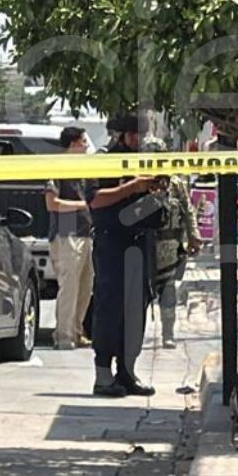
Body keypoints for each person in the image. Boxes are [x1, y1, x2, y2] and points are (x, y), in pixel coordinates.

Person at [87, 114, 165, 397]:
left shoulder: (140, 160)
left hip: (138, 242)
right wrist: (133, 187)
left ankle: (127, 373)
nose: (138, 141)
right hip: (112, 245)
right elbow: (96, 200)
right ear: (120, 135)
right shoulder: (104, 159)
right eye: (134, 135)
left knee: (135, 312)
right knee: (110, 309)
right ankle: (103, 377)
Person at [142, 137, 201, 349]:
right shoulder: (140, 181)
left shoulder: (176, 183)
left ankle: (168, 334)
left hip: (171, 248)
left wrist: (194, 236)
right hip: (146, 247)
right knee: (141, 293)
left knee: (168, 294)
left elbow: (188, 210)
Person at [44, 126, 94, 351]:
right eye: (83, 141)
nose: (86, 146)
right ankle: (63, 335)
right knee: (70, 287)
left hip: (85, 232)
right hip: (66, 233)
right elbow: (51, 203)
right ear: (73, 144)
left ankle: (76, 330)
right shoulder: (57, 167)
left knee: (86, 286)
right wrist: (82, 205)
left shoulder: (84, 168)